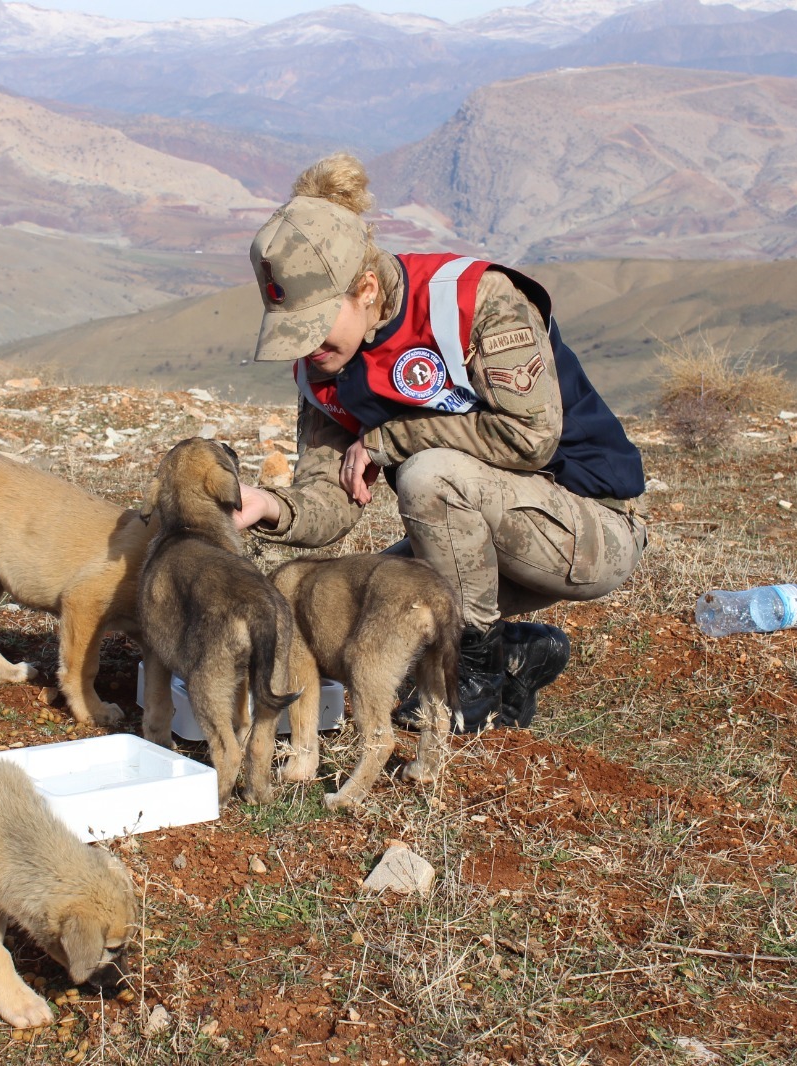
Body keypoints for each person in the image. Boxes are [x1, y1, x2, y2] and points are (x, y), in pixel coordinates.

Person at [234, 154, 647, 733]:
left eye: (314, 327)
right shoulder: (323, 370)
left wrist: (387, 440)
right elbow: (330, 496)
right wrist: (273, 506)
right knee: (357, 606)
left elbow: (529, 438)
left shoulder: (475, 302)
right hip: (477, 537)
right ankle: (516, 653)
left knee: (429, 474)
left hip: (590, 526)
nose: (306, 348)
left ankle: (466, 677)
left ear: (366, 289)